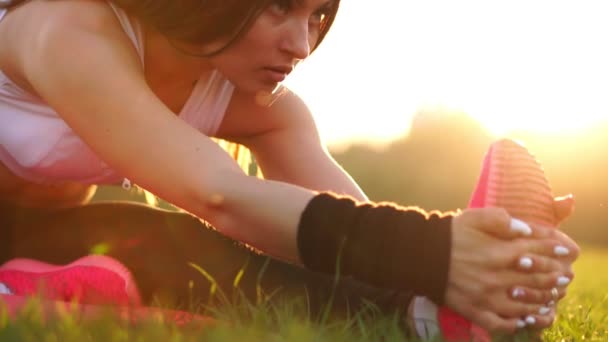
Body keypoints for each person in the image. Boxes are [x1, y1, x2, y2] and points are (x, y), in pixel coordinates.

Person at [0, 0, 578, 337]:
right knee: (157, 236)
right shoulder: (67, 28)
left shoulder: (265, 108)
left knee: (152, 248)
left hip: (34, 231)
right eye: (280, 6)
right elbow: (218, 195)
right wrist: (440, 252)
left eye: (317, 13)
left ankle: (430, 319)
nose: (301, 44)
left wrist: (480, 257)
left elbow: (348, 223)